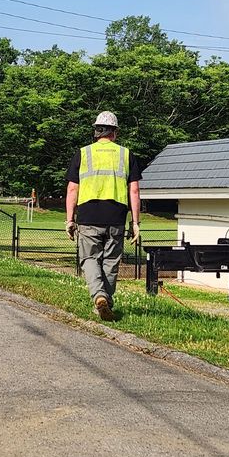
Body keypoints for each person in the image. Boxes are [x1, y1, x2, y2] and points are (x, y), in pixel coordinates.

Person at [65, 111, 142, 321]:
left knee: (89, 258)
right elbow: (134, 191)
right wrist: (136, 222)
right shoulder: (127, 155)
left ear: (96, 131)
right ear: (114, 133)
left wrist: (70, 219)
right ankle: (105, 301)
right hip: (116, 215)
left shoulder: (82, 153)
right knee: (110, 262)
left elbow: (72, 190)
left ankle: (98, 295)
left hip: (88, 214)